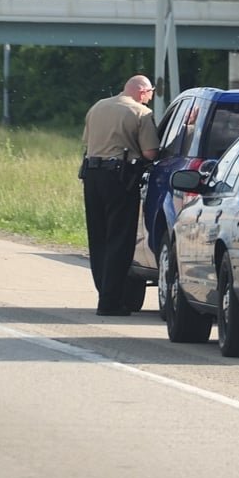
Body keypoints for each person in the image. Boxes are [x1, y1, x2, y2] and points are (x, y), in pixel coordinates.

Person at [80, 75, 160, 316]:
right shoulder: (141, 113)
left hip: (92, 176)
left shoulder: (98, 107)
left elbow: (87, 141)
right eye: (150, 93)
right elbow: (149, 153)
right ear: (143, 92)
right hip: (120, 179)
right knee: (120, 238)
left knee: (99, 237)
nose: (150, 98)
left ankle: (104, 291)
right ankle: (110, 301)